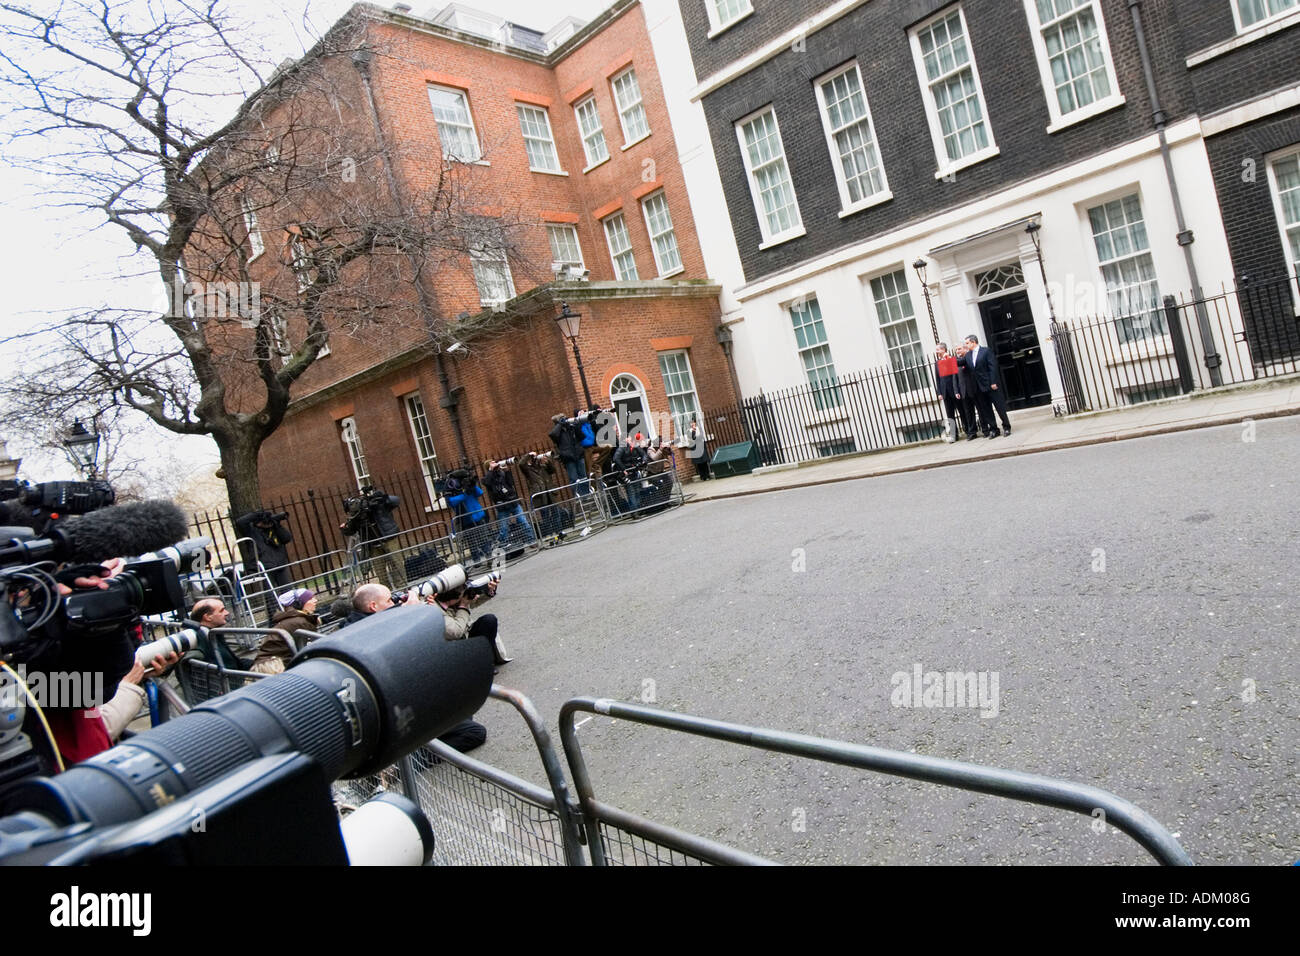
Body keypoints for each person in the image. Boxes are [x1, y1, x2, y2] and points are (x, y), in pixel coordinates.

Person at [340, 486, 403, 589]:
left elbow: (396, 501)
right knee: (380, 572)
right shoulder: (358, 515)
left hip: (388, 538)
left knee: (397, 565)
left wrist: (382, 497)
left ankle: (402, 589)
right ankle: (386, 593)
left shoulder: (377, 504)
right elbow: (351, 530)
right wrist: (344, 529)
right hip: (372, 545)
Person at [250, 588, 321, 675]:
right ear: (298, 604)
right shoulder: (300, 622)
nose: (315, 601)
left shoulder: (296, 619)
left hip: (271, 664)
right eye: (310, 599)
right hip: (272, 668)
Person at [960, 334, 1012, 438]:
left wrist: (993, 382)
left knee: (999, 407)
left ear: (973, 342)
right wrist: (948, 359)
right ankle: (994, 429)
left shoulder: (986, 351)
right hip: (978, 387)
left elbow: (992, 367)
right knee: (986, 409)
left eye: (967, 343)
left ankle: (1006, 427)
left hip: (990, 384)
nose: (966, 345)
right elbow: (959, 362)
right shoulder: (968, 355)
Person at [483, 459, 536, 550]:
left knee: (523, 522)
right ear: (488, 467)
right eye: (492, 463)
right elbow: (487, 483)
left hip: (513, 502)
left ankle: (531, 541)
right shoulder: (487, 478)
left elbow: (511, 483)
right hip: (502, 506)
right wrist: (491, 470)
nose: (495, 463)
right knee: (504, 528)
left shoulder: (502, 473)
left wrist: (507, 471)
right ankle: (503, 545)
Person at [443, 469, 494, 565]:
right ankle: (476, 561)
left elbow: (480, 493)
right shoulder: (453, 487)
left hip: (478, 515)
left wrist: (472, 486)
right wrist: (464, 494)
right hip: (466, 518)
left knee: (483, 538)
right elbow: (451, 502)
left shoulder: (469, 486)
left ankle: (489, 557)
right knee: (472, 541)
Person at [189, 597, 249, 669]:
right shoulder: (203, 639)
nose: (227, 613)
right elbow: (231, 666)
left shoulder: (211, 634)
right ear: (208, 617)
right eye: (222, 610)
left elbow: (235, 663)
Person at [933, 343, 962, 443]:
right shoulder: (937, 363)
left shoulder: (951, 359)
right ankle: (954, 435)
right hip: (945, 392)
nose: (936, 352)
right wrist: (939, 392)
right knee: (950, 416)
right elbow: (937, 379)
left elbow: (954, 373)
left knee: (962, 411)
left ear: (943, 350)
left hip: (954, 391)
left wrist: (948, 359)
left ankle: (969, 431)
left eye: (938, 349)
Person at [952, 343, 982, 440]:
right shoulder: (956, 362)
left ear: (965, 349)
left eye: (959, 349)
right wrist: (956, 391)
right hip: (963, 391)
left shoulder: (970, 358)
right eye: (956, 350)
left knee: (980, 410)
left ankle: (985, 429)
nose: (958, 351)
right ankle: (972, 432)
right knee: (968, 413)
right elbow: (954, 378)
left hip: (973, 389)